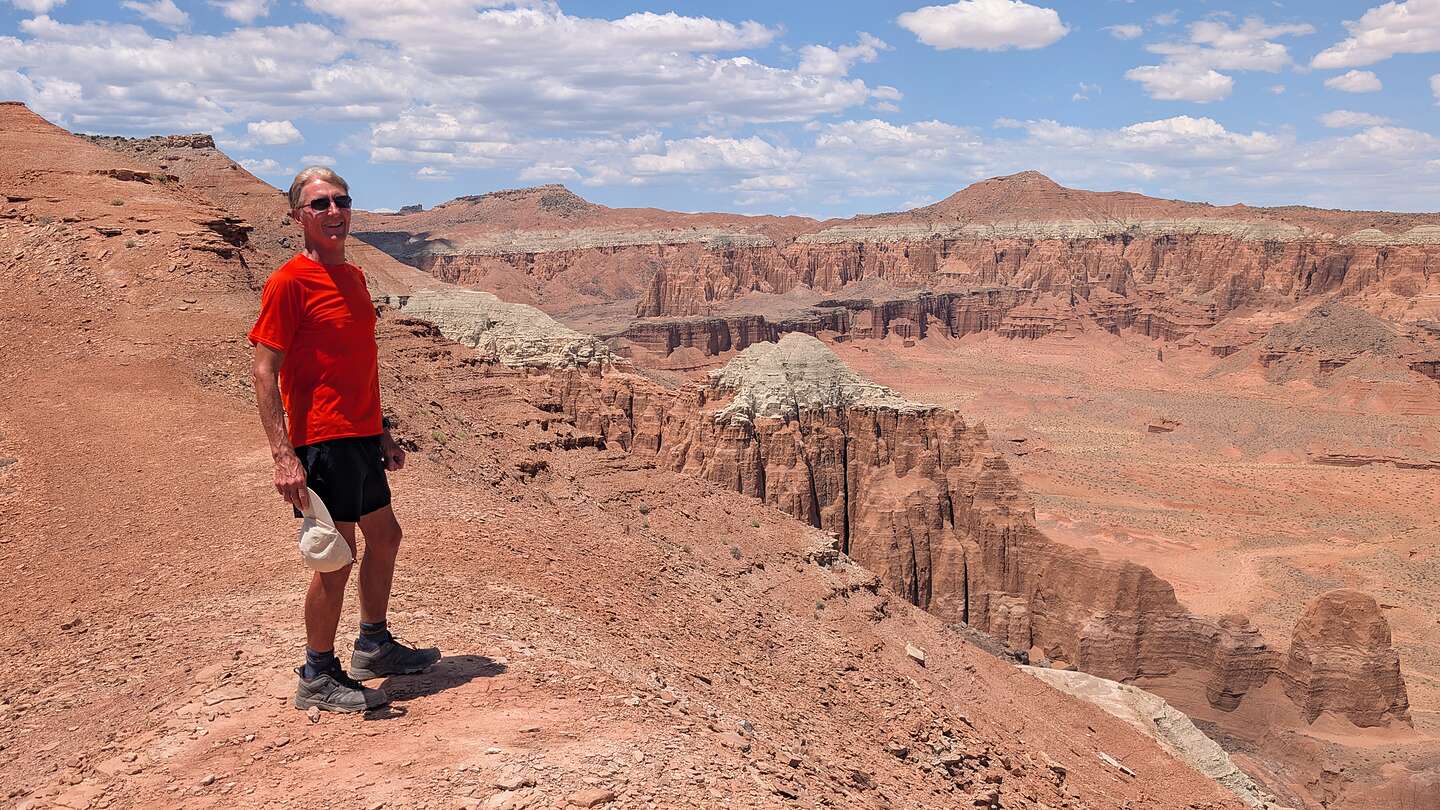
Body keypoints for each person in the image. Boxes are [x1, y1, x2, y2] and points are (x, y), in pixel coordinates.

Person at [249, 166, 440, 713]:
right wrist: (284, 455)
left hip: (359, 435)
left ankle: (373, 646)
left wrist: (381, 429)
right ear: (297, 217)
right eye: (320, 204)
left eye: (341, 201)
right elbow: (264, 370)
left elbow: (360, 364)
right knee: (336, 557)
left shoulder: (354, 277)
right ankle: (317, 672)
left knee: (386, 537)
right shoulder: (289, 281)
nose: (334, 212)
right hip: (322, 439)